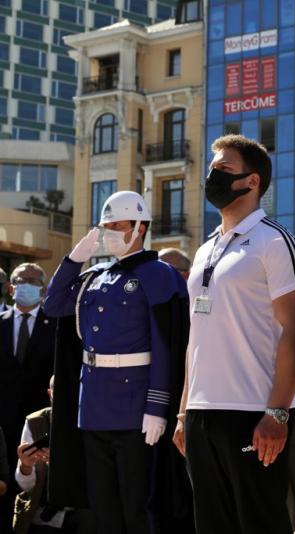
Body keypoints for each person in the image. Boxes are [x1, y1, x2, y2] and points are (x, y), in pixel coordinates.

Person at [172, 134, 295, 534]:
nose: (212, 177)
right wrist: (184, 412)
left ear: (252, 181)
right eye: (211, 169)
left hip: (254, 412)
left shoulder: (277, 242)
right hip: (201, 414)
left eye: (223, 169)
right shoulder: (205, 250)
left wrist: (277, 412)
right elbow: (196, 338)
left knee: (261, 522)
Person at [43, 191, 189, 534]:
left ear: (140, 228)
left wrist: (157, 406)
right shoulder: (95, 275)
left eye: (118, 226)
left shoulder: (159, 274)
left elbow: (166, 344)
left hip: (136, 406)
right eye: (106, 226)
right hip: (94, 405)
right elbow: (53, 305)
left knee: (137, 507)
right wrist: (73, 261)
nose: (109, 233)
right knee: (103, 507)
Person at [0, 264, 55, 533]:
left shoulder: (56, 325)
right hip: (2, 422)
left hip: (39, 424)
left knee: (34, 483)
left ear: (43, 290)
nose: (26, 284)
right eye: (21, 280)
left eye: (33, 281)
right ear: (11, 288)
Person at [14, 376, 94, 533]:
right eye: (59, 393)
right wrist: (25, 467)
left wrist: (62, 462)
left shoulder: (91, 421)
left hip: (84, 516)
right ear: (50, 393)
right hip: (45, 517)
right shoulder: (36, 422)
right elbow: (26, 486)